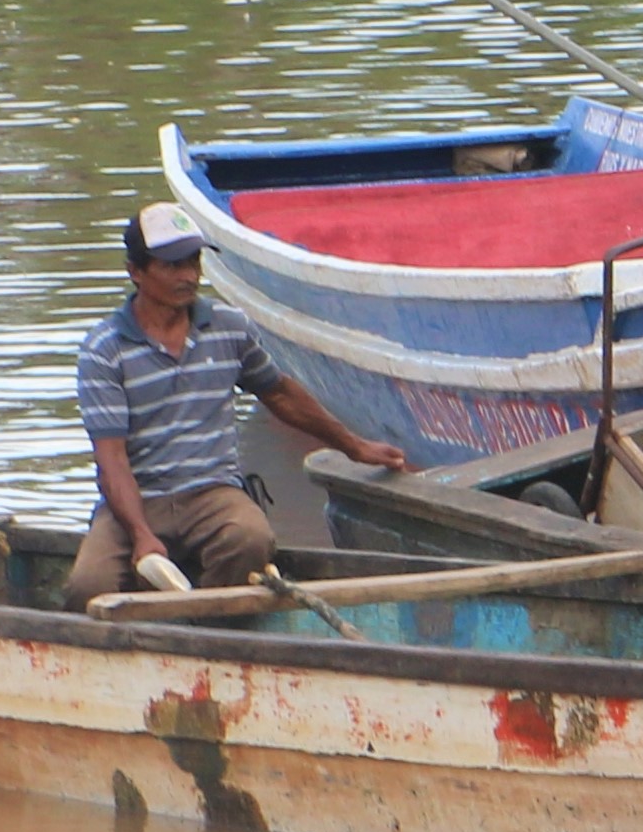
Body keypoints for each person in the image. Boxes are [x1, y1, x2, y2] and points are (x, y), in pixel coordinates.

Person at [64, 204, 411, 607]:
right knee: (88, 587)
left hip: (212, 490)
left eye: (193, 262)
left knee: (251, 540)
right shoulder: (105, 351)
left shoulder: (228, 327)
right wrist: (141, 535)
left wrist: (355, 447)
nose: (189, 276)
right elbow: (112, 461)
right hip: (138, 497)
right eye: (172, 266)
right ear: (136, 272)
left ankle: (203, 626)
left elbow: (278, 393)